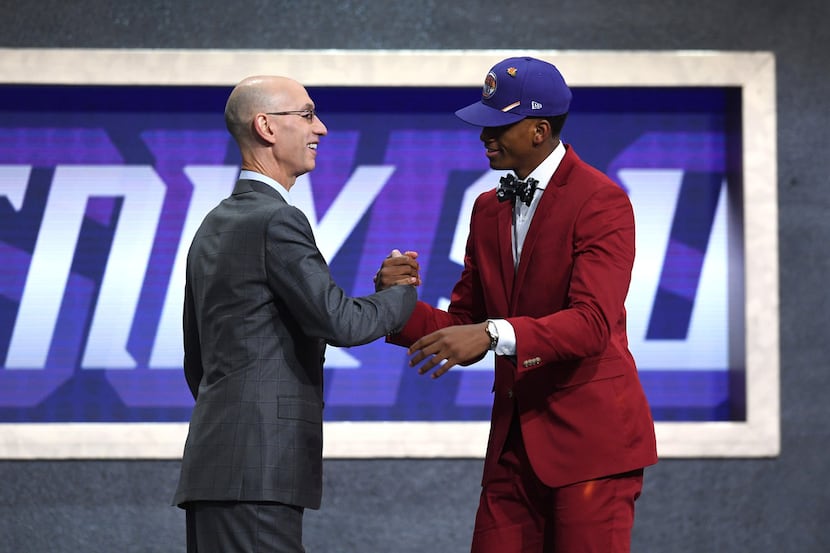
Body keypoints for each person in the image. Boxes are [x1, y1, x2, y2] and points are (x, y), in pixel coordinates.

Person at [378, 57, 658, 552]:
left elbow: (591, 324)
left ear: (539, 130)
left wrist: (490, 334)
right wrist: (395, 304)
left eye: (498, 125)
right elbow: (464, 321)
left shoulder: (602, 201)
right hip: (512, 449)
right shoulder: (488, 209)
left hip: (591, 446)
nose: (483, 135)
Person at [172, 75, 420, 553]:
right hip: (258, 472)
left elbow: (196, 363)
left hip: (217, 467)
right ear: (265, 126)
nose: (321, 128)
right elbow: (338, 321)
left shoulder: (214, 224)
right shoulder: (277, 219)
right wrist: (400, 295)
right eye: (306, 115)